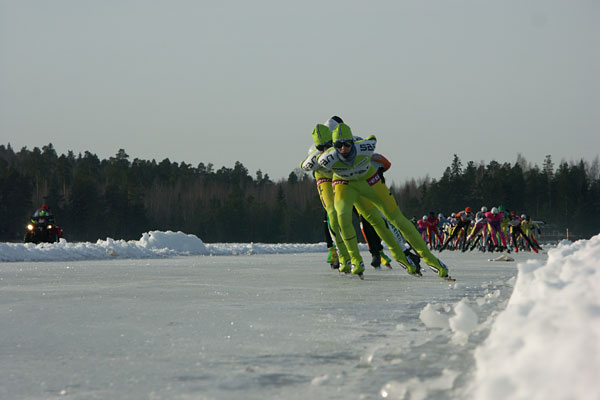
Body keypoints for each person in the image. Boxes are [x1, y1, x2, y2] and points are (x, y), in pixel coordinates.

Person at [317, 123, 450, 278]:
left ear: (353, 141)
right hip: (345, 186)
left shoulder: (366, 146)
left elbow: (383, 159)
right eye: (338, 145)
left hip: (368, 181)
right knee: (341, 216)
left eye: (347, 144)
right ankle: (354, 259)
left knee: (395, 218)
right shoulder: (323, 158)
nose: (343, 149)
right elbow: (305, 165)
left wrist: (378, 170)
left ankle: (429, 259)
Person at [300, 123, 352, 270]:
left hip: (338, 177)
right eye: (320, 147)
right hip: (323, 179)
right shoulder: (313, 153)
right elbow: (303, 165)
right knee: (331, 213)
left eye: (328, 145)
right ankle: (339, 252)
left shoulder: (340, 146)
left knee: (346, 212)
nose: (324, 150)